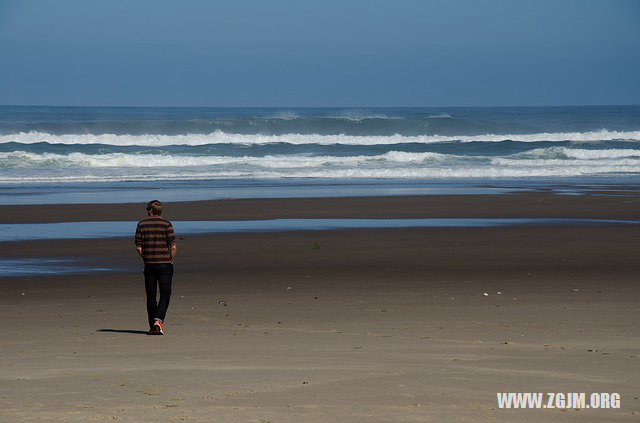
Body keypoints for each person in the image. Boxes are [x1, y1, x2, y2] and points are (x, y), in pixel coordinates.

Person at [135, 200, 177, 335]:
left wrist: (146, 257)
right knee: (165, 293)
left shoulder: (141, 224)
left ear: (150, 210)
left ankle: (153, 326)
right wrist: (171, 258)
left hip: (149, 265)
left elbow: (139, 246)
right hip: (165, 263)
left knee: (151, 296)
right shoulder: (167, 224)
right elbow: (173, 245)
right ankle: (158, 321)